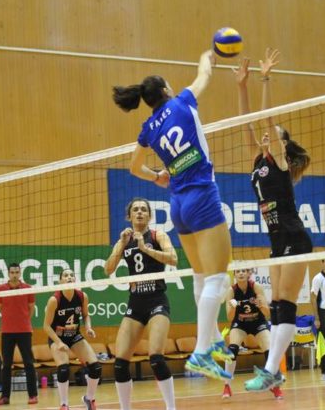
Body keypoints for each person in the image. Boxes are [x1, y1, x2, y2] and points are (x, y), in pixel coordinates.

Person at [112, 50, 233, 380]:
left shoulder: (148, 128)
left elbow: (134, 167)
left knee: (200, 276)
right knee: (218, 278)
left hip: (178, 204)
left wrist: (157, 177)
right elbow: (204, 75)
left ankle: (214, 339)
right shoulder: (182, 102)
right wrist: (208, 55)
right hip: (203, 195)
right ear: (166, 89)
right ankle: (202, 352)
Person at [233, 49, 312, 392]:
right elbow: (246, 122)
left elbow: (266, 118)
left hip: (294, 236)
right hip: (277, 240)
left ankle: (271, 370)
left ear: (281, 143)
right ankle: (274, 371)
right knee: (277, 305)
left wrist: (265, 79)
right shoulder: (257, 161)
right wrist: (242, 86)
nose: (267, 134)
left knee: (285, 303)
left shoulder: (279, 162)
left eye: (273, 133)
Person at [105, 198, 177, 410]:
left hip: (157, 301)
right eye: (135, 210)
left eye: (143, 210)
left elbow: (173, 258)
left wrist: (145, 248)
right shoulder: (124, 240)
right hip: (135, 303)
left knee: (156, 358)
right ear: (129, 216)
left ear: (149, 215)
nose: (139, 212)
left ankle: (171, 407)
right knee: (120, 364)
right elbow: (108, 269)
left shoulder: (157, 235)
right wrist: (121, 244)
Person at [43, 269, 100, 410]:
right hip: (57, 337)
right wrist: (58, 342)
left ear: (75, 279)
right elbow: (46, 326)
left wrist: (88, 327)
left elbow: (86, 315)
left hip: (74, 336)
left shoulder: (82, 296)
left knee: (96, 367)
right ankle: (64, 404)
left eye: (72, 275)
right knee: (63, 369)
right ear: (60, 281)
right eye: (66, 275)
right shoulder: (54, 300)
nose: (69, 277)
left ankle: (89, 399)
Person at [221, 268, 282, 399]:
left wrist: (261, 305)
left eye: (244, 271)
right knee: (232, 351)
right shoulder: (231, 291)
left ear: (249, 273)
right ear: (234, 274)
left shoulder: (256, 287)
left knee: (270, 350)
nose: (241, 273)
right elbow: (230, 318)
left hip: (257, 322)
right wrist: (233, 307)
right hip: (240, 323)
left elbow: (267, 313)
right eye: (238, 271)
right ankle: (227, 385)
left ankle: (275, 386)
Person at [0, 262, 38, 406]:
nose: (14, 275)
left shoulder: (28, 288)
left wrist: (23, 320)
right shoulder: (1, 289)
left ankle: (33, 395)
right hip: (7, 331)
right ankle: (5, 396)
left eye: (17, 272)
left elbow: (31, 307)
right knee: (6, 365)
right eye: (12, 272)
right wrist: (10, 317)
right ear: (8, 273)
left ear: (20, 273)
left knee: (28, 363)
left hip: (24, 331)